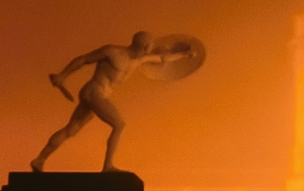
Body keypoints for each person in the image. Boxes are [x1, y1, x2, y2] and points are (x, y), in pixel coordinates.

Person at [31, 31, 190, 172]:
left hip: (99, 95)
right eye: (149, 46)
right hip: (94, 92)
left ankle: (39, 160)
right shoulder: (112, 52)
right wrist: (63, 75)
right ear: (145, 46)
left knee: (70, 130)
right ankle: (108, 166)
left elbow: (162, 58)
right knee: (119, 124)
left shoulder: (139, 60)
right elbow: (83, 59)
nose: (150, 50)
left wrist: (184, 54)